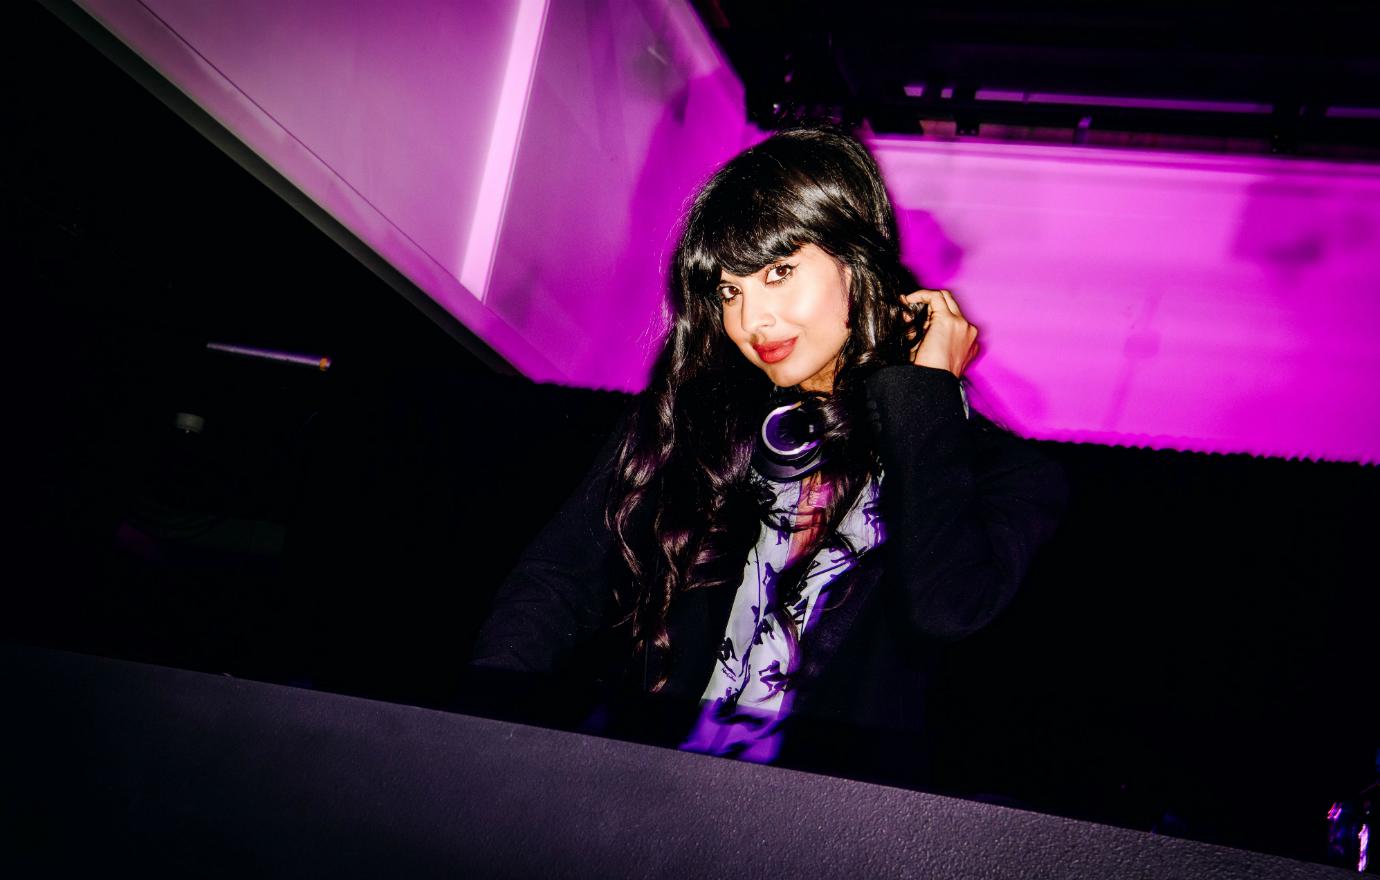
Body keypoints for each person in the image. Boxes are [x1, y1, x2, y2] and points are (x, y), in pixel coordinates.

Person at [467, 125, 1066, 788]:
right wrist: (484, 740)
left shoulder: (1006, 475)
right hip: (645, 807)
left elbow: (946, 609)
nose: (753, 320)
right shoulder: (695, 423)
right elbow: (557, 580)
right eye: (729, 292)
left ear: (857, 260)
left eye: (778, 273)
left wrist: (926, 395)